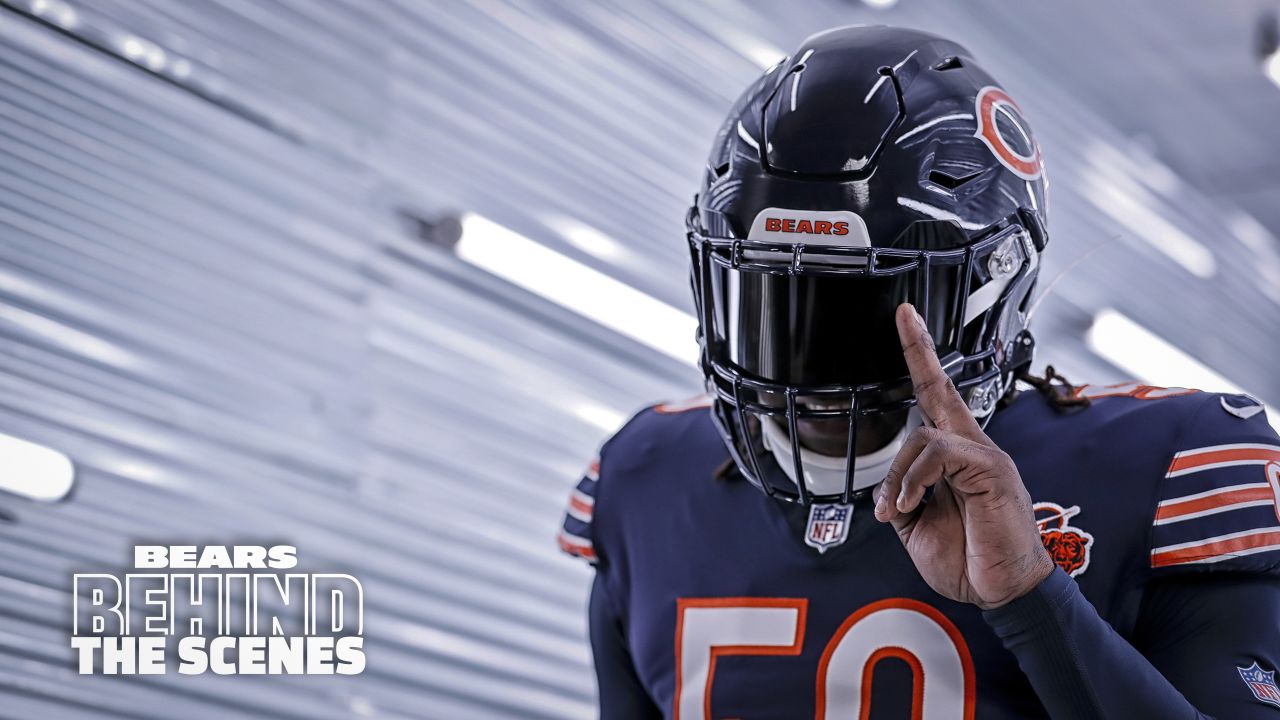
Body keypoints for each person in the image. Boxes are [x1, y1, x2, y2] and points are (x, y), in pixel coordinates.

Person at [558, 25, 1280, 719]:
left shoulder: (1168, 461)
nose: (810, 363)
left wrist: (1031, 597)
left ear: (997, 289)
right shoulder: (644, 478)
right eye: (777, 298)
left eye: (867, 309)